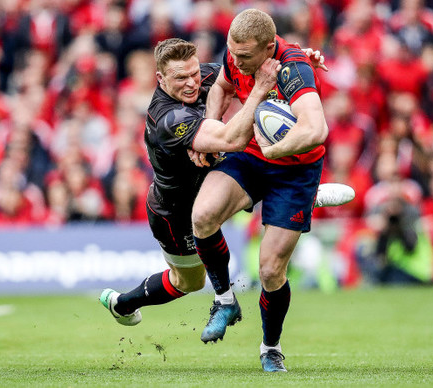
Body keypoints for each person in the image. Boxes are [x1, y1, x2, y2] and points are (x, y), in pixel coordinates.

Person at [99, 39, 352, 331]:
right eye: (181, 78)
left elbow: (254, 69)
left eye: (194, 73)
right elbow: (232, 139)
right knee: (189, 282)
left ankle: (296, 197)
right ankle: (124, 304)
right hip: (176, 210)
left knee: (236, 178)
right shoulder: (167, 118)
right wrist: (257, 92)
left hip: (217, 183)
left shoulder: (203, 75)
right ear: (161, 79)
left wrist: (298, 66)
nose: (192, 83)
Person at [190, 9, 353, 373]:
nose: (236, 60)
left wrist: (273, 149)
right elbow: (221, 85)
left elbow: (315, 130)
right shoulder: (237, 56)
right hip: (250, 156)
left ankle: (271, 347)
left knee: (270, 271)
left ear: (268, 48)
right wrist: (213, 129)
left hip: (293, 170)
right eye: (232, 52)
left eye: (244, 56)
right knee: (202, 216)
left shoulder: (295, 67)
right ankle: (225, 300)